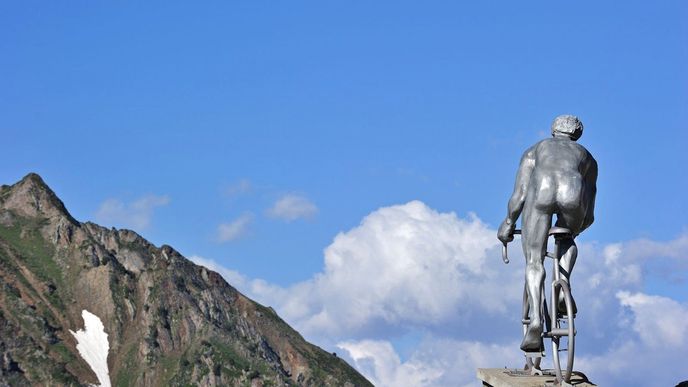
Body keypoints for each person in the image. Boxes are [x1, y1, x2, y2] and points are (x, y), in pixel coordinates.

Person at [497, 115, 598, 352]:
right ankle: (564, 284)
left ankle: (535, 320)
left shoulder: (536, 149)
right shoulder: (588, 159)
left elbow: (519, 195)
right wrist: (576, 229)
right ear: (577, 135)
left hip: (541, 192)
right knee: (567, 237)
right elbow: (590, 212)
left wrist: (509, 223)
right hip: (572, 193)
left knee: (534, 261)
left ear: (553, 131)